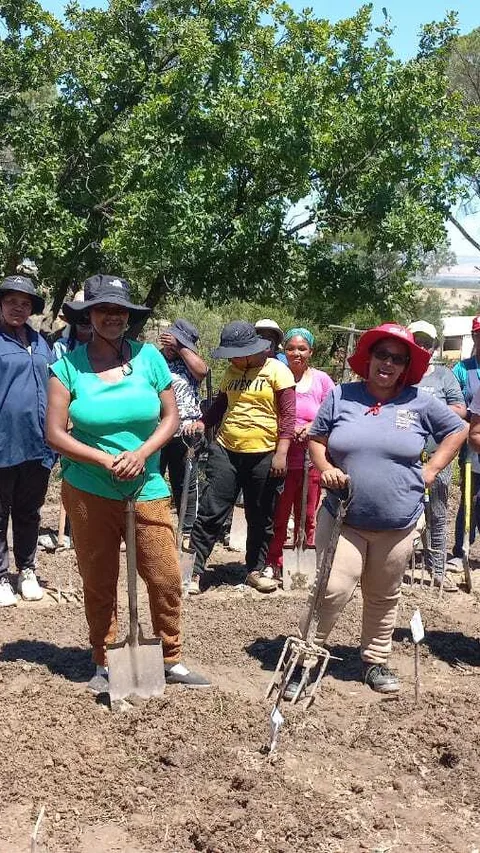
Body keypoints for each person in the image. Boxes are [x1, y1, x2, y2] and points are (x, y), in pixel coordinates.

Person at [46, 274, 209, 692]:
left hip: (146, 483)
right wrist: (105, 458)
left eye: (120, 311)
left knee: (165, 575)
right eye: (104, 310)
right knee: (99, 579)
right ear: (89, 316)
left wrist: (139, 454)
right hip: (89, 489)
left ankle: (170, 656)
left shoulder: (150, 359)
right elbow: (55, 433)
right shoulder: (66, 367)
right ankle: (104, 660)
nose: (113, 318)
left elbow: (170, 416)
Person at [300, 323, 466, 695]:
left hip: (399, 521)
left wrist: (432, 469)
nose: (388, 364)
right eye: (382, 355)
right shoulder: (342, 396)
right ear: (369, 358)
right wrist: (326, 469)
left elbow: (457, 429)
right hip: (345, 517)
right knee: (333, 588)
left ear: (406, 366)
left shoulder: (420, 402)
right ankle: (306, 658)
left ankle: (375, 660)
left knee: (383, 593)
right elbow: (316, 439)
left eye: (397, 358)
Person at [188, 321, 295, 595]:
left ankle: (255, 570)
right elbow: (221, 405)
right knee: (211, 510)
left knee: (260, 515)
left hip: (264, 452)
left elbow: (288, 416)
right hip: (226, 448)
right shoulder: (232, 371)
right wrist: (203, 423)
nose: (232, 359)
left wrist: (281, 453)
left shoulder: (277, 371)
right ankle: (195, 571)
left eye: (235, 353)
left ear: (251, 349)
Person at [0, 275, 55, 606]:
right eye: (11, 302)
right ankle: (0, 576)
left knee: (29, 511)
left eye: (25, 303)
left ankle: (27, 569)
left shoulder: (41, 341)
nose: (19, 308)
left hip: (38, 442)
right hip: (3, 441)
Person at [265, 327, 334, 581]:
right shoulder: (275, 376)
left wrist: (311, 428)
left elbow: (331, 414)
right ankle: (274, 561)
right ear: (285, 350)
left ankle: (304, 558)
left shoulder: (322, 381)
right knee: (280, 515)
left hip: (311, 460)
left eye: (302, 348)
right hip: (283, 459)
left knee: (308, 516)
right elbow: (267, 411)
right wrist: (288, 429)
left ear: (310, 352)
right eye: (291, 348)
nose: (296, 353)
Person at [407, 321, 466, 592]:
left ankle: (438, 570)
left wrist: (430, 410)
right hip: (404, 459)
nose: (421, 347)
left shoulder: (443, 376)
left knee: (438, 514)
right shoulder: (400, 372)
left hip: (436, 457)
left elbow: (460, 409)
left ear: (434, 347)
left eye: (426, 343)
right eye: (416, 341)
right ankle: (395, 566)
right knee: (403, 512)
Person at [159, 320, 208, 550]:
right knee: (154, 478)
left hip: (186, 431)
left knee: (185, 482)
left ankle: (186, 530)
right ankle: (154, 527)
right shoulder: (155, 358)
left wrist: (181, 348)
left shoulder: (189, 362)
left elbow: (202, 371)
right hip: (157, 430)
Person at [447, 316, 480, 570]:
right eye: (479, 335)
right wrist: (470, 418)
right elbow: (453, 405)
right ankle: (460, 551)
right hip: (471, 440)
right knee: (470, 496)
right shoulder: (462, 369)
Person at [52, 290, 92, 360]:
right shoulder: (61, 347)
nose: (85, 320)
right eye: (79, 314)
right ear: (73, 317)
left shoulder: (106, 347)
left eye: (88, 314)